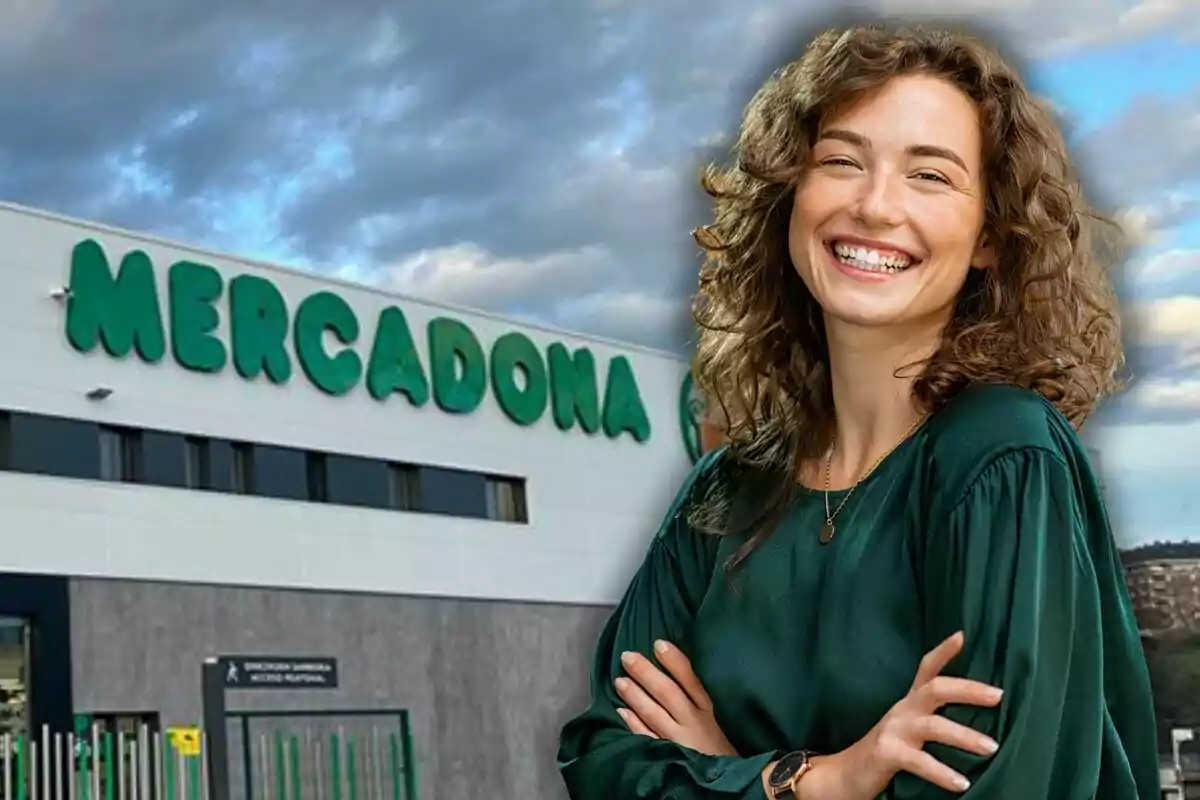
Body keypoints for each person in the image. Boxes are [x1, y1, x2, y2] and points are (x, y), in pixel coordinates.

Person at [556, 21, 1160, 800]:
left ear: (989, 237)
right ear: (790, 197)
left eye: (930, 176)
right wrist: (819, 781)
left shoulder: (1003, 456)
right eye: (841, 161)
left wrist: (721, 770)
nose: (875, 206)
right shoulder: (725, 490)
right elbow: (604, 761)